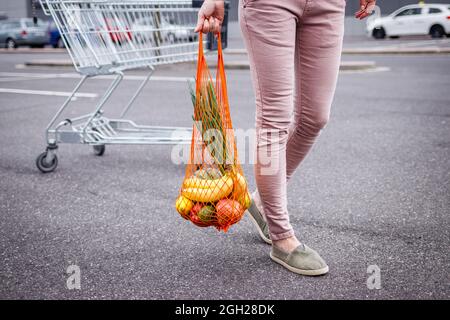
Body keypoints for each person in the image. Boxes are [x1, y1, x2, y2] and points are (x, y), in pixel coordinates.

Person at [195, 0, 376, 276]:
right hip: (270, 4)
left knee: (314, 117)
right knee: (273, 120)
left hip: (328, 5)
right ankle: (282, 238)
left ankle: (260, 201)